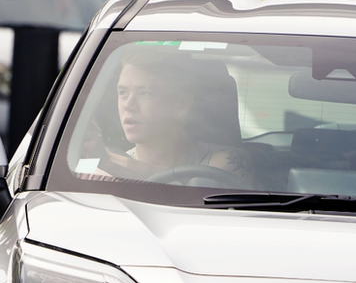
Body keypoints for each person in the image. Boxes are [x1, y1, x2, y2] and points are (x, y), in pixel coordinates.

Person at [83, 48, 253, 186]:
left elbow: (198, 195)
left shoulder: (227, 160)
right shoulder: (104, 175)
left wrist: (112, 163)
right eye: (123, 93)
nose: (128, 105)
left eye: (145, 93)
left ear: (182, 104)